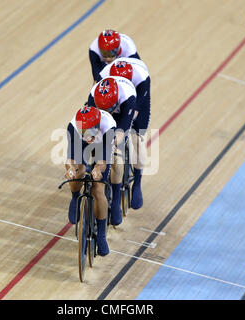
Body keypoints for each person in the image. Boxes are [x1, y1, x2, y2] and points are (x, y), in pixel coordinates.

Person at [97, 58, 151, 209]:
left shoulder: (141, 78)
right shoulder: (103, 76)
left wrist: (118, 137)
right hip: (112, 101)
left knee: (136, 138)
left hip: (132, 103)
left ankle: (138, 183)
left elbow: (133, 112)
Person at [65, 105, 116, 256]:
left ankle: (101, 234)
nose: (86, 135)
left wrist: (97, 169)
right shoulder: (73, 127)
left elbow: (102, 162)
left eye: (89, 132)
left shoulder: (108, 127)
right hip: (82, 145)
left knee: (98, 189)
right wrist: (70, 169)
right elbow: (70, 160)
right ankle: (75, 198)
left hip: (102, 145)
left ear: (97, 126)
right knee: (77, 171)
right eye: (83, 132)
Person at [87, 76, 137, 226]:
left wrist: (113, 144)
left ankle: (116, 200)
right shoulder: (92, 96)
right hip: (101, 119)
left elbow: (121, 132)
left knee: (116, 155)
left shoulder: (128, 98)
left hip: (121, 117)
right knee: (94, 145)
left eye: (108, 108)